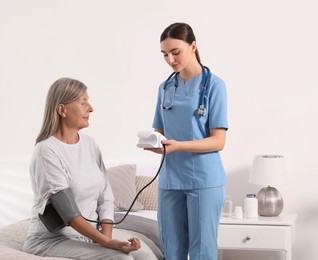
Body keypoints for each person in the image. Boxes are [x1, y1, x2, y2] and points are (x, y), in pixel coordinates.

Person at [23, 78, 144, 260]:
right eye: (83, 102)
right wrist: (107, 244)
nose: (91, 108)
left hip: (88, 237)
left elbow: (105, 199)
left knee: (144, 256)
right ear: (62, 109)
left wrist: (105, 238)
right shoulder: (46, 150)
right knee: (121, 258)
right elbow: (69, 213)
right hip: (52, 239)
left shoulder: (89, 144)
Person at [145, 23, 228, 260]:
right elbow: (159, 131)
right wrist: (155, 143)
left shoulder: (214, 85)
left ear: (193, 46)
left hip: (204, 179)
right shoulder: (165, 88)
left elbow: (218, 141)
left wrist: (179, 145)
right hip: (170, 179)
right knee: (171, 249)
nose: (170, 59)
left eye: (175, 52)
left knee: (202, 251)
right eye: (165, 54)